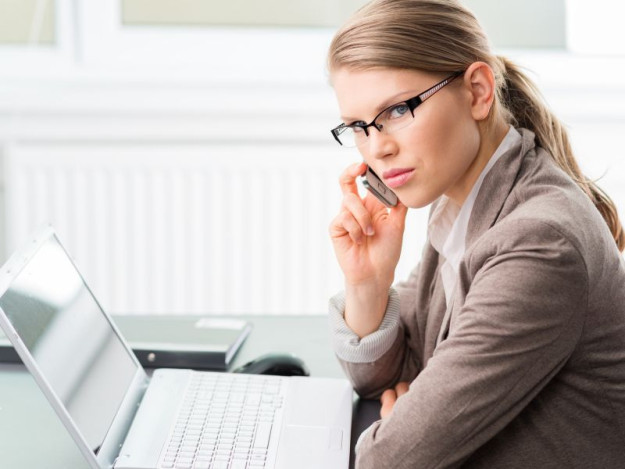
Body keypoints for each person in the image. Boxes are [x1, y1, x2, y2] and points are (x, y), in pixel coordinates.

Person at [326, 0, 625, 467]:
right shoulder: (459, 201)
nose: (378, 147)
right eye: (358, 127)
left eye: (399, 110)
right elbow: (383, 374)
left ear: (479, 91)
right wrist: (368, 283)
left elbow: (390, 459)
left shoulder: (539, 243)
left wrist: (403, 425)